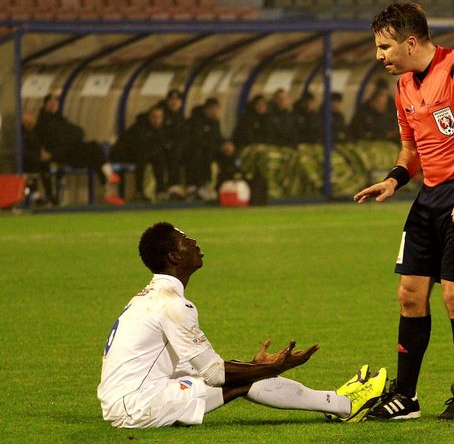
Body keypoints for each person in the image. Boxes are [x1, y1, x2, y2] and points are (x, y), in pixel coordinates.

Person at [353, 3, 454, 421]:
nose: (379, 56)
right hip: (431, 196)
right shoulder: (404, 86)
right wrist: (393, 180)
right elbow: (412, 150)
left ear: (411, 41)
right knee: (409, 294)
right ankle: (406, 396)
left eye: (384, 47)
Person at [97, 222, 387, 428]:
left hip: (128, 399)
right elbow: (215, 374)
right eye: (186, 240)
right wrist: (273, 367)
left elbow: (206, 369)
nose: (195, 242)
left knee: (243, 369)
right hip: (136, 407)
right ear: (174, 256)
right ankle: (346, 405)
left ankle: (337, 400)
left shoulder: (151, 297)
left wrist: (255, 365)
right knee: (244, 378)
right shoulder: (172, 304)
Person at [35, 94, 124, 205]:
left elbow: (79, 132)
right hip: (60, 156)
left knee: (95, 151)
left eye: (56, 102)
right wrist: (68, 138)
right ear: (45, 104)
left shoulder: (60, 119)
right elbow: (59, 139)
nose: (54, 104)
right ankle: (109, 180)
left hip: (71, 150)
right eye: (51, 102)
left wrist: (69, 138)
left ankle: (109, 188)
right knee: (95, 151)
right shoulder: (43, 123)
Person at [110, 105, 166, 202]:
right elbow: (136, 145)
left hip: (142, 154)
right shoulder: (140, 127)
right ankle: (139, 192)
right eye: (154, 117)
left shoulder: (160, 130)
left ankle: (160, 191)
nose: (157, 120)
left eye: (159, 117)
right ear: (149, 117)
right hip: (123, 154)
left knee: (158, 158)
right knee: (142, 158)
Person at [185, 98, 229, 201]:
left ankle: (224, 185)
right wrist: (217, 147)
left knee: (229, 155)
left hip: (211, 149)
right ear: (206, 109)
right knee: (201, 154)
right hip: (196, 151)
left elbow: (218, 137)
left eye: (216, 109)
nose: (215, 112)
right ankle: (199, 186)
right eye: (212, 109)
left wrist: (225, 145)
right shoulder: (195, 121)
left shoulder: (215, 122)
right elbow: (197, 140)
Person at [21, 111, 56, 205]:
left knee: (46, 166)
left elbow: (40, 146)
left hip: (36, 159)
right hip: (25, 160)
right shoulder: (19, 134)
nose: (31, 123)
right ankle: (34, 195)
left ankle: (49, 195)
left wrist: (43, 153)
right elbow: (24, 149)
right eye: (27, 121)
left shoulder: (36, 132)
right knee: (33, 164)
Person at [160, 89, 188, 200]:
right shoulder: (161, 114)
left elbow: (185, 136)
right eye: (171, 100)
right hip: (163, 148)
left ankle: (193, 187)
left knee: (195, 153)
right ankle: (169, 187)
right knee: (173, 153)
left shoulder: (181, 117)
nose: (174, 102)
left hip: (178, 148)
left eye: (177, 100)